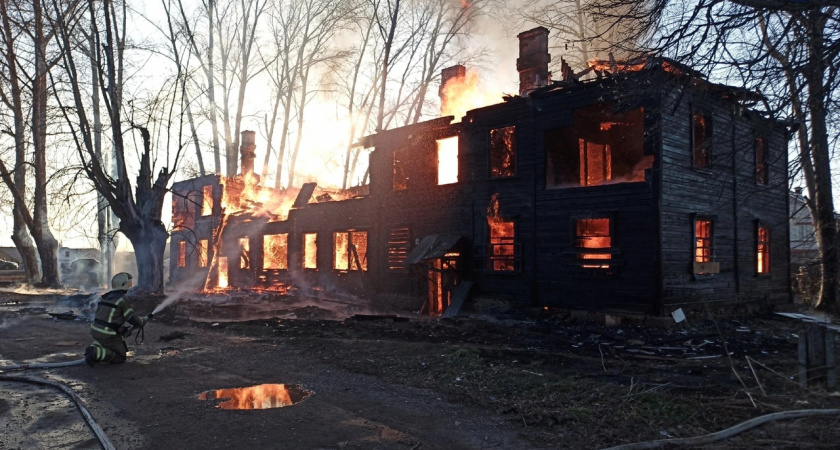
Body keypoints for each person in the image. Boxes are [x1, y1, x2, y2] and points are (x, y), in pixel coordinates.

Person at [84, 272, 149, 366]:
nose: (130, 286)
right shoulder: (122, 300)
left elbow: (107, 318)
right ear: (123, 284)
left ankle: (96, 346)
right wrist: (142, 321)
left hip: (95, 330)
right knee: (120, 357)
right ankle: (95, 352)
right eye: (129, 283)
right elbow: (132, 319)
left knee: (111, 341)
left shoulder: (105, 297)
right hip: (106, 334)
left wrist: (120, 329)